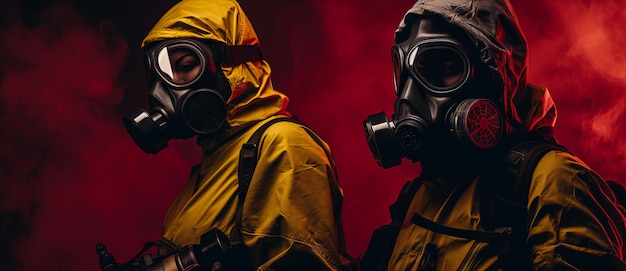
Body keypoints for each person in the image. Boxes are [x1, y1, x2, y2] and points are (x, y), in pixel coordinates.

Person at [360, 0, 626, 270]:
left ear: (495, 80)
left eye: (447, 67)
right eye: (405, 71)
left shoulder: (554, 182)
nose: (409, 95)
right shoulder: (420, 195)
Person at [119, 0, 352, 270]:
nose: (167, 91)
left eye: (185, 66)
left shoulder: (283, 146)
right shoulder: (214, 160)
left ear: (234, 65)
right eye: (160, 76)